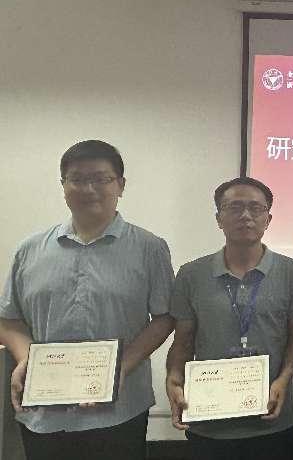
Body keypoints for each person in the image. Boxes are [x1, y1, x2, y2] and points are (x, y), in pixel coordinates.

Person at [0, 140, 175, 460]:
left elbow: (164, 318)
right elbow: (9, 319)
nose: (89, 188)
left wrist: (121, 368)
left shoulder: (150, 248)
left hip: (119, 409)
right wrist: (28, 360)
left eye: (101, 179)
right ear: (63, 186)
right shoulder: (30, 249)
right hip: (44, 411)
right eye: (77, 179)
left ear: (120, 185)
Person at [165, 177, 293, 460]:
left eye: (255, 208)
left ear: (268, 219)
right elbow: (182, 341)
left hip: (273, 423)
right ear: (218, 219)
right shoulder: (191, 274)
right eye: (234, 207)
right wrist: (173, 378)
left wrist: (284, 379)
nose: (245, 215)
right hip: (209, 424)